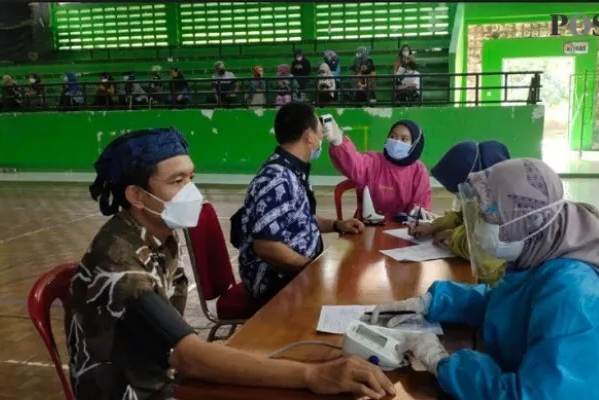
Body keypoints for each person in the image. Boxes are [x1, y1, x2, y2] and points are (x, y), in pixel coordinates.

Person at [66, 128, 395, 400]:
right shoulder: (120, 265)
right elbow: (190, 357)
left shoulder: (158, 235)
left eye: (191, 177)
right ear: (137, 196)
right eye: (176, 181)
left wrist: (302, 363)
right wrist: (310, 374)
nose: (191, 191)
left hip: (164, 372)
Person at [367, 158, 599, 400]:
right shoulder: (538, 259)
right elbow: (504, 302)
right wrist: (431, 302)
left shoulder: (572, 297)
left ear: (526, 220)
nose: (476, 226)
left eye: (487, 215)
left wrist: (442, 362)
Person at [237, 103, 365, 304]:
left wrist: (336, 224)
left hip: (294, 272)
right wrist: (312, 267)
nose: (322, 137)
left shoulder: (292, 170)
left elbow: (301, 218)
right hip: (276, 282)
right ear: (309, 136)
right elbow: (266, 245)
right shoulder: (278, 179)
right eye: (319, 131)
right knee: (349, 290)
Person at [410, 140, 510, 283]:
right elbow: (463, 215)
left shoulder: (503, 201)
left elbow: (484, 247)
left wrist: (452, 236)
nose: (460, 195)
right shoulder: (482, 191)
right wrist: (434, 226)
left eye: (460, 190)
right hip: (479, 277)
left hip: (501, 284)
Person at [324, 117, 432, 221]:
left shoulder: (418, 170)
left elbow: (421, 203)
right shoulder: (373, 161)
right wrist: (338, 142)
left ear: (414, 145)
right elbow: (354, 164)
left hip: (402, 230)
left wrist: (419, 211)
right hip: (366, 227)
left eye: (404, 139)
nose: (396, 142)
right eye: (393, 136)